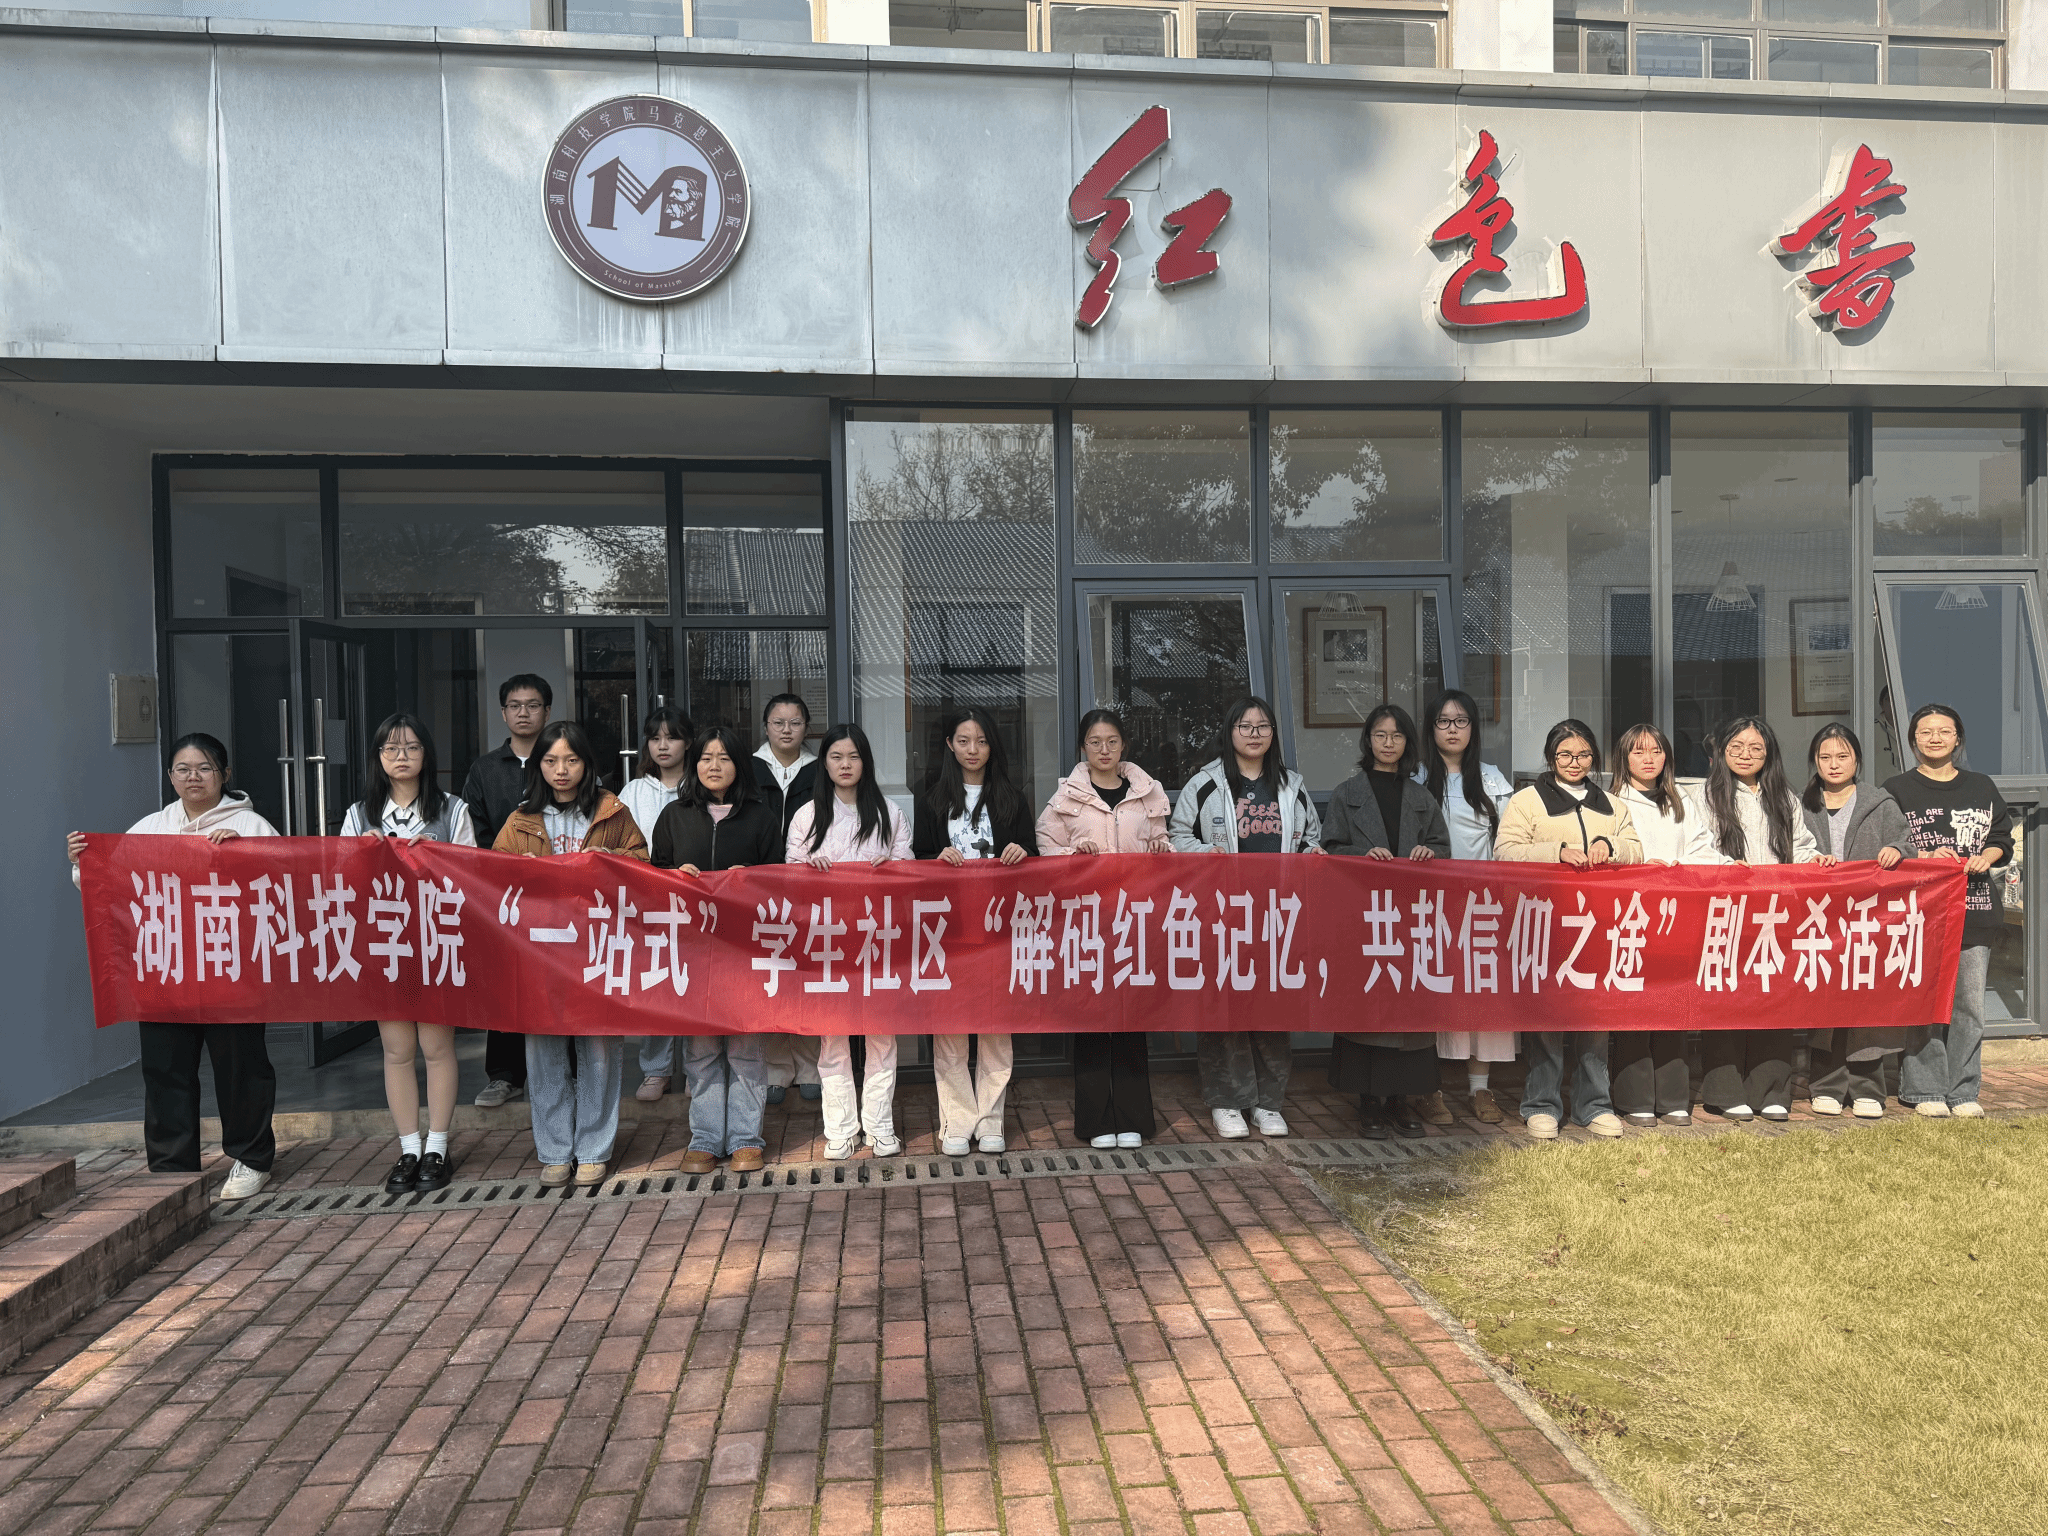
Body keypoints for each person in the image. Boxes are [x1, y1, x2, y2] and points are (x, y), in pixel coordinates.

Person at [66, 733, 279, 1200]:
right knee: (166, 1068)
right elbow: (111, 882)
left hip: (229, 966)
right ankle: (171, 1166)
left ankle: (251, 1156)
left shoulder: (251, 824)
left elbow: (283, 884)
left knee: (241, 1066)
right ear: (170, 776)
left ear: (224, 774)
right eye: (183, 769)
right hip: (167, 967)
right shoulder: (151, 826)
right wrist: (83, 862)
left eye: (204, 768)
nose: (193, 777)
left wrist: (245, 853)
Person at [491, 721, 648, 1186]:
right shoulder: (520, 819)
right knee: (544, 1050)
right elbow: (493, 876)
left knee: (598, 1046)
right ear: (538, 765)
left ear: (587, 764)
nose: (561, 770)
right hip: (540, 951)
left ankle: (594, 1148)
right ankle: (555, 1148)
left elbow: (643, 862)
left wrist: (609, 861)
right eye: (551, 760)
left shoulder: (611, 811)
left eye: (571, 760)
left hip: (596, 948)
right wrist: (522, 871)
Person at [1169, 696, 1324, 1140]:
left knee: (1274, 1007)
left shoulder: (1291, 785)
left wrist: (1312, 853)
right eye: (1245, 726)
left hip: (1278, 915)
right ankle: (1227, 1102)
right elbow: (1177, 837)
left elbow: (1311, 837)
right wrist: (1207, 853)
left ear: (1273, 734)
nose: (1254, 734)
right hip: (1223, 915)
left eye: (1263, 726)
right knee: (1225, 1008)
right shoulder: (1205, 784)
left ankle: (1267, 1104)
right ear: (1229, 732)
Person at [340, 714, 476, 1194]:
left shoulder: (453, 810)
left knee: (437, 1048)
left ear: (426, 755)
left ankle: (437, 1145)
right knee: (396, 1051)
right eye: (391, 749)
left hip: (435, 939)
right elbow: (340, 885)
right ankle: (408, 1148)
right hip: (384, 943)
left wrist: (438, 856)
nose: (401, 757)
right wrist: (362, 853)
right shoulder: (358, 815)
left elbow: (474, 878)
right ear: (377, 757)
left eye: (412, 747)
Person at [1495, 718, 1643, 1140]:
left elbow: (1637, 850)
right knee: (1546, 1016)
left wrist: (1610, 846)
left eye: (1583, 755)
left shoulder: (1612, 804)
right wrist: (1556, 852)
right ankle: (1541, 1104)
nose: (1574, 762)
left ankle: (1594, 1105)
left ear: (1593, 757)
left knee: (1596, 1017)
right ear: (1551, 757)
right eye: (1565, 755)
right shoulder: (1526, 801)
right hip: (1545, 921)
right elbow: (1504, 851)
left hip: (1600, 925)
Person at [1037, 709, 1173, 1149]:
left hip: (1135, 920)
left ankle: (1132, 1117)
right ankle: (1096, 1121)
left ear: (1123, 746)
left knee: (1132, 1018)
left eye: (1112, 741)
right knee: (1093, 1019)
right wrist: (1074, 854)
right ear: (1083, 747)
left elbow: (1163, 845)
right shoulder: (1066, 797)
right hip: (1087, 922)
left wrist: (1161, 848)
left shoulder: (1146, 792)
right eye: (1095, 742)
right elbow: (1045, 848)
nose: (1104, 750)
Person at [650, 727, 784, 1174]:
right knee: (702, 1051)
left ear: (739, 766)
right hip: (693, 952)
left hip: (745, 951)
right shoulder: (674, 816)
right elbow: (652, 877)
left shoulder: (762, 817)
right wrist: (675, 876)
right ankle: (705, 1138)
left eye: (724, 758)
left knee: (746, 1049)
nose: (713, 766)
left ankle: (746, 1138)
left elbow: (780, 882)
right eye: (706, 757)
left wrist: (753, 880)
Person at [912, 707, 1038, 1156]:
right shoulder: (931, 799)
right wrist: (935, 859)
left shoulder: (1011, 798)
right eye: (964, 741)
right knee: (950, 1029)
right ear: (949, 745)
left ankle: (990, 1122)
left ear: (992, 746)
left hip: (999, 929)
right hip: (948, 931)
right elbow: (917, 860)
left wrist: (1022, 852)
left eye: (981, 741)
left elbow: (1034, 855)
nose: (973, 750)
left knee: (995, 1028)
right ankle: (957, 1122)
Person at [1696, 715, 1834, 1123]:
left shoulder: (1783, 796)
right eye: (1736, 747)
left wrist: (1815, 859)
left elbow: (1800, 846)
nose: (1746, 755)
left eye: (1756, 748)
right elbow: (1699, 848)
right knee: (1727, 1000)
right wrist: (1726, 867)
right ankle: (1724, 1091)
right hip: (1727, 912)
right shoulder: (1704, 795)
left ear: (1769, 753)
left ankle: (1771, 1090)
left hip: (1776, 914)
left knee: (1775, 999)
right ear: (1721, 751)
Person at [1323, 704, 1452, 1139]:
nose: (1388, 743)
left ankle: (1401, 1100)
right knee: (1367, 1005)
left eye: (1397, 736)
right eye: (1380, 735)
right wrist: (1362, 856)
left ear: (1407, 743)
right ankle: (1368, 1103)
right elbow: (1329, 850)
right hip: (1365, 916)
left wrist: (1430, 853)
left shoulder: (1421, 796)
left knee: (1408, 1010)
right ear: (1368, 741)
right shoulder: (1346, 792)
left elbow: (1442, 847)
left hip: (1411, 917)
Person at [787, 724, 913, 1160]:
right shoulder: (806, 816)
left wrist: (892, 866)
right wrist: (809, 868)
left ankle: (880, 1127)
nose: (845, 765)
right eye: (836, 756)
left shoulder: (890, 814)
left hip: (879, 940)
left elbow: (911, 874)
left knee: (882, 1036)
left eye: (854, 756)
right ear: (824, 763)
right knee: (833, 1038)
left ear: (866, 762)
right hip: (827, 942)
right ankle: (840, 1130)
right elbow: (788, 877)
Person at [1886, 703, 2013, 1120]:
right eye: (1925, 732)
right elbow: (1888, 845)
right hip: (1921, 914)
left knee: (1969, 1007)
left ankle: (1963, 1090)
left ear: (1958, 739)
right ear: (1913, 741)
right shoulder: (1896, 788)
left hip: (1974, 909)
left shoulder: (1981, 785)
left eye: (1944, 731)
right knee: (1924, 1003)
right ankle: (1924, 1088)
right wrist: (1923, 855)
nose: (1935, 738)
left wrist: (1986, 857)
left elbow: (2002, 838)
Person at [1413, 689, 1517, 1125]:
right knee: (1433, 995)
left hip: (1483, 906)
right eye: (1443, 721)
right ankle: (1429, 1089)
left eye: (1461, 721)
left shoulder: (1492, 780)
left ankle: (1480, 1087)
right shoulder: (1417, 778)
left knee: (1485, 996)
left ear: (1474, 728)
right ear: (1430, 728)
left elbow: (1509, 843)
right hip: (1430, 906)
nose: (1452, 729)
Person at [1800, 723, 1914, 1118]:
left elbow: (1907, 843)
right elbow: (1790, 849)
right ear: (1815, 762)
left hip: (1869, 919)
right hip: (1819, 920)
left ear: (1857, 761)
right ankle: (1826, 1085)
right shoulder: (1801, 804)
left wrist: (1896, 849)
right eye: (1825, 757)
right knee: (1824, 1002)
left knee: (1866, 1001)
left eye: (1842, 756)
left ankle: (1868, 1087)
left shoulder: (1880, 803)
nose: (1834, 764)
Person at [1607, 723, 1719, 1127]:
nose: (1649, 758)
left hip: (1677, 914)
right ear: (1624, 758)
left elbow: (1703, 848)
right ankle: (1634, 1097)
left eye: (1656, 750)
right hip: (1631, 916)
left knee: (1674, 1005)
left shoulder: (1681, 799)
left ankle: (1672, 1097)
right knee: (1635, 1007)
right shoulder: (1611, 802)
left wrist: (1712, 867)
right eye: (1638, 751)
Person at [462, 673, 552, 1110]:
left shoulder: (560, 760)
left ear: (547, 712)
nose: (523, 713)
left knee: (554, 981)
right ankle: (504, 1075)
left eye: (532, 705)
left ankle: (561, 1074)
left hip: (556, 893)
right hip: (501, 893)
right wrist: (503, 866)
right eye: (515, 705)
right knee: (504, 982)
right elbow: (473, 830)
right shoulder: (484, 769)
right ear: (502, 713)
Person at [618, 704, 694, 1104]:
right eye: (655, 738)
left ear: (688, 742)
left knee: (695, 983)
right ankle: (656, 1070)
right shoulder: (633, 791)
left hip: (694, 901)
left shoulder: (699, 785)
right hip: (646, 902)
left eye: (672, 737)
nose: (663, 745)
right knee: (656, 984)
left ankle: (698, 1069)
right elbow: (619, 843)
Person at [752, 693, 821, 1106]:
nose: (786, 730)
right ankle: (777, 1069)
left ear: (805, 727)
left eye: (795, 722)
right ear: (766, 727)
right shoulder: (750, 768)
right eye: (778, 722)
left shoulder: (819, 769)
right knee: (773, 978)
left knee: (806, 977)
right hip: (761, 887)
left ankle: (810, 1067)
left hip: (807, 884)